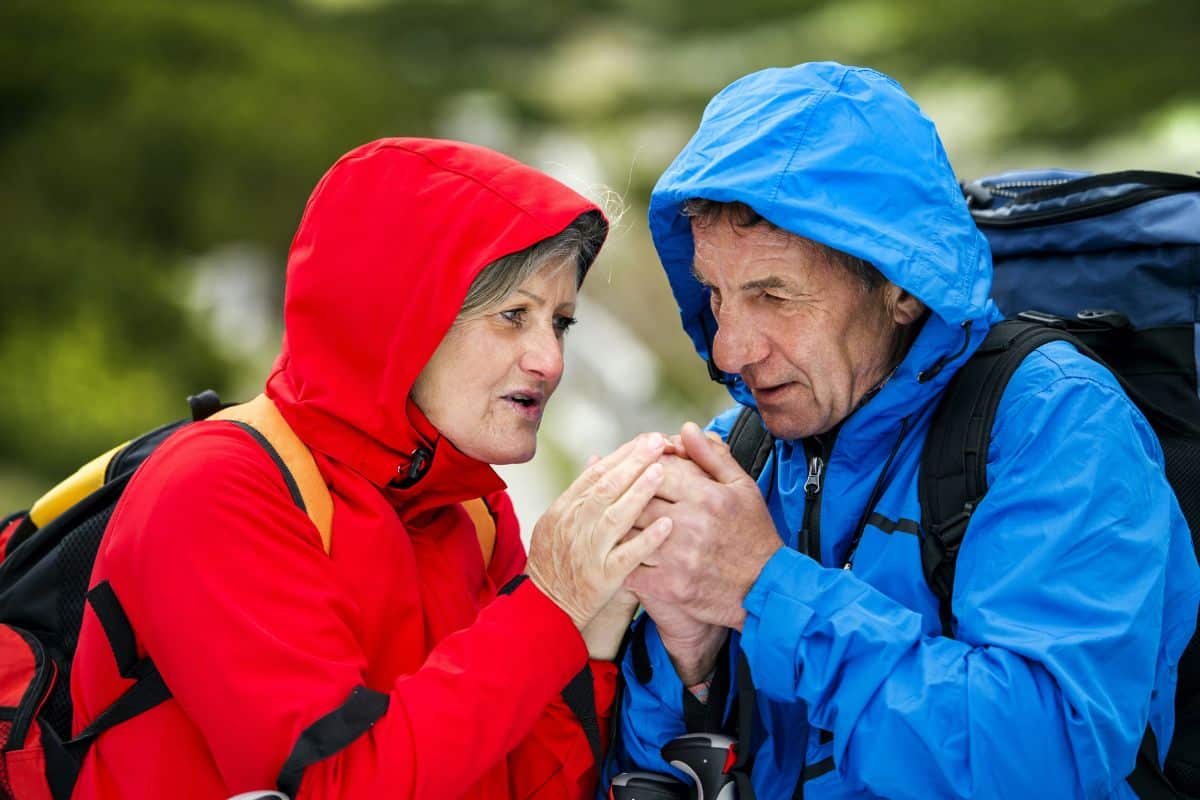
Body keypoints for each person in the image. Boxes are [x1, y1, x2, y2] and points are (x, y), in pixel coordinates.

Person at [608, 63, 1200, 799]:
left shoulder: (1056, 424)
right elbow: (645, 772)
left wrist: (763, 589)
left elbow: (1049, 760)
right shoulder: (742, 456)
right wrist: (690, 667)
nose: (729, 350)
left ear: (903, 289)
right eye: (717, 295)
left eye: (774, 296)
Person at [69, 138, 675, 799]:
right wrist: (552, 602)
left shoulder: (470, 507)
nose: (550, 361)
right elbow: (337, 783)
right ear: (400, 312)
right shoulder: (215, 488)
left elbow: (519, 784)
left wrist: (600, 622)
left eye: (560, 323)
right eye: (513, 316)